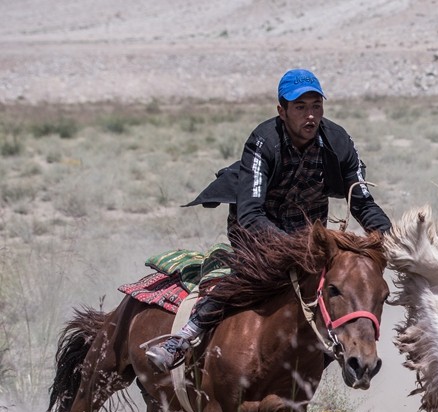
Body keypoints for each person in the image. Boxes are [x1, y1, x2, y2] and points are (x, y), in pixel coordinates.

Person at [145, 68, 391, 372]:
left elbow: (363, 203)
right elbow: (250, 213)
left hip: (310, 237)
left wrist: (388, 239)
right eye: (300, 108)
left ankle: (346, 354)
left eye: (316, 106)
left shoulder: (338, 142)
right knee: (245, 279)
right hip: (257, 233)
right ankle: (184, 337)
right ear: (282, 111)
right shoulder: (263, 141)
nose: (310, 116)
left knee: (345, 287)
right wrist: (292, 248)